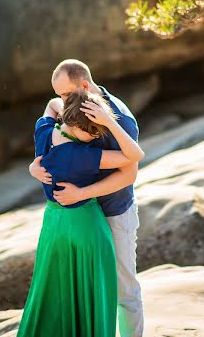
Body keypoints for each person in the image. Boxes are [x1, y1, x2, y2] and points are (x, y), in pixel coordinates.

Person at [29, 59, 145, 337]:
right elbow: (52, 108)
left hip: (113, 211)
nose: (61, 103)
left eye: (66, 95)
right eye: (59, 95)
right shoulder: (73, 107)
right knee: (90, 287)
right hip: (84, 217)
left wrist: (82, 193)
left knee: (124, 289)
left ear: (83, 86)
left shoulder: (121, 121)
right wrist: (36, 164)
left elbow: (129, 174)